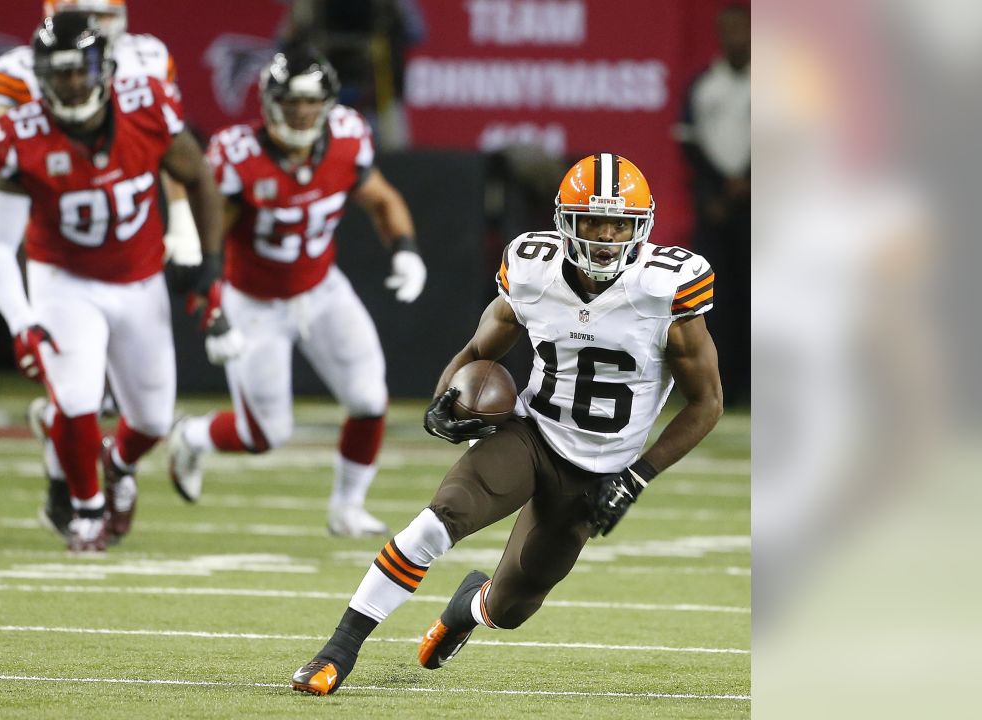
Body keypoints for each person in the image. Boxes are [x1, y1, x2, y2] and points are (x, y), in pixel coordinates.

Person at [291, 153, 724, 694]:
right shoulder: (532, 269)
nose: (606, 236)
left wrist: (635, 478)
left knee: (513, 605)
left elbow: (706, 403)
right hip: (532, 434)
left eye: (619, 223)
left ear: (642, 228)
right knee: (439, 519)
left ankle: (467, 611)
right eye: (593, 220)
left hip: (603, 470)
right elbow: (477, 348)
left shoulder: (667, 289)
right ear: (566, 222)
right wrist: (445, 399)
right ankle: (338, 651)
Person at [0, 13, 226, 552]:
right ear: (40, 76)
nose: (71, 82)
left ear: (105, 68)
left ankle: (116, 462)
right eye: (60, 72)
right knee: (75, 399)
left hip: (139, 278)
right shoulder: (18, 136)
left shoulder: (146, 107)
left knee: (154, 418)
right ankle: (87, 510)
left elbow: (199, 175)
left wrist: (209, 263)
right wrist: (22, 321)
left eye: (80, 70)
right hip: (63, 279)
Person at [166, 49, 427, 537]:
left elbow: (381, 198)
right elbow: (207, 246)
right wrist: (213, 315)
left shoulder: (349, 137)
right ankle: (192, 435)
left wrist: (406, 249)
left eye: (310, 103)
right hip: (254, 301)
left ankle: (347, 508)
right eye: (290, 102)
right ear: (268, 103)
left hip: (321, 289)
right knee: (263, 434)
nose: (301, 113)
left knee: (370, 399)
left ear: (327, 105)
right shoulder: (236, 156)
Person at [678, 3, 750, 405]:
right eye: (730, 30)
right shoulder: (704, 84)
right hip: (716, 208)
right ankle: (718, 385)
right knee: (711, 298)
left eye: (744, 30)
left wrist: (753, 181)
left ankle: (757, 383)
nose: (737, 38)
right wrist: (716, 192)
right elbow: (688, 142)